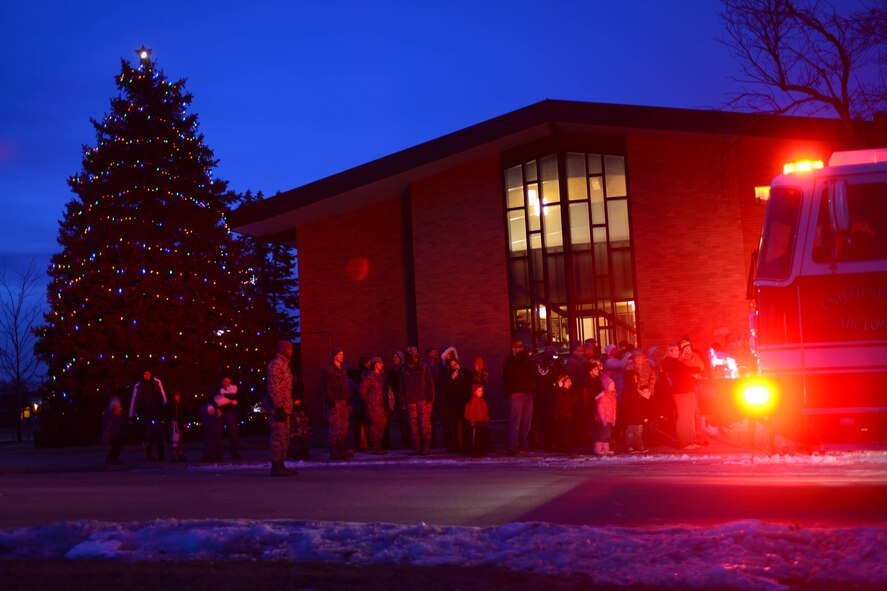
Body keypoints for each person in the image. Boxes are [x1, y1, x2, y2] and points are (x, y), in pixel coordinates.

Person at [662, 340, 702, 450]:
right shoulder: (669, 362)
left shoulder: (673, 361)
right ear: (670, 351)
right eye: (676, 350)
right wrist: (696, 371)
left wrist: (693, 378)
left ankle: (690, 440)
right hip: (681, 392)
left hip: (686, 390)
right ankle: (684, 442)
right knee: (684, 417)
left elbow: (683, 373)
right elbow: (684, 371)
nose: (678, 352)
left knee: (689, 416)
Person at [266, 340, 296, 476]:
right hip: (278, 409)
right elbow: (273, 388)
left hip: (285, 407)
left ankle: (281, 464)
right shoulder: (275, 365)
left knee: (284, 437)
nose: (291, 351)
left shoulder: (285, 366)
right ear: (282, 349)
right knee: (278, 436)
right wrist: (279, 407)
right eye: (289, 349)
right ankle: (276, 465)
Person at [399, 345, 435, 455]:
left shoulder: (423, 367)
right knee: (413, 425)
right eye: (413, 356)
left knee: (425, 424)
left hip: (423, 401)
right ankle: (417, 446)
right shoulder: (404, 369)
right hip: (410, 402)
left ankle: (426, 446)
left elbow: (430, 384)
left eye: (416, 356)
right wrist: (402, 401)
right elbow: (401, 387)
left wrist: (430, 400)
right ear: (408, 357)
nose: (415, 358)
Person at [502, 339, 536, 455]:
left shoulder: (526, 361)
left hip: (527, 393)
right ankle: (513, 446)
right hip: (516, 394)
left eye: (522, 347)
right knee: (515, 422)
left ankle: (523, 443)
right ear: (513, 348)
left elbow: (532, 373)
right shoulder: (510, 362)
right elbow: (510, 376)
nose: (521, 349)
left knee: (526, 422)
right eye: (518, 347)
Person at [128, 370, 168, 461]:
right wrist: (131, 415)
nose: (147, 375)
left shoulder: (157, 382)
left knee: (159, 433)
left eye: (149, 373)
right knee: (147, 434)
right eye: (145, 374)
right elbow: (134, 400)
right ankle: (149, 456)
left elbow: (163, 396)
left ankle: (161, 455)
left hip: (156, 413)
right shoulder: (138, 385)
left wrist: (165, 409)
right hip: (146, 414)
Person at [622, 350, 656, 453]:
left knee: (647, 416)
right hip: (636, 394)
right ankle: (634, 442)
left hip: (647, 394)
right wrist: (639, 391)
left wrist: (649, 389)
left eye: (641, 357)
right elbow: (629, 381)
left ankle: (646, 439)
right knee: (635, 420)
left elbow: (652, 377)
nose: (639, 360)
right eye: (637, 358)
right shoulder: (630, 367)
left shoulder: (648, 366)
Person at [439, 357, 473, 452]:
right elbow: (445, 389)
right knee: (455, 425)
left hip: (465, 402)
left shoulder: (466, 373)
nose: (455, 367)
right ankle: (457, 446)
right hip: (454, 404)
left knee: (466, 424)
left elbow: (469, 384)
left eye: (455, 364)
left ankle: (467, 446)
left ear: (459, 363)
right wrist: (452, 378)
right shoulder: (449, 375)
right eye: (452, 366)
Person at [323, 347, 352, 460]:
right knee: (335, 426)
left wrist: (348, 397)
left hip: (344, 400)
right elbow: (327, 386)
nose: (342, 356)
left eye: (342, 354)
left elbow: (346, 384)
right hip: (335, 401)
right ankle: (334, 449)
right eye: (340, 354)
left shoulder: (342, 369)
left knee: (343, 426)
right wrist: (330, 399)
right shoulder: (329, 369)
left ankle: (341, 447)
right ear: (335, 356)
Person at [359, 356, 390, 454]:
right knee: (375, 426)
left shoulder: (381, 377)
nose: (382, 365)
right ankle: (375, 446)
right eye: (380, 363)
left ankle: (379, 445)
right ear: (375, 364)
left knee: (381, 426)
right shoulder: (369, 376)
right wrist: (370, 401)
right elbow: (362, 391)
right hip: (374, 406)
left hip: (382, 406)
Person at [214, 375, 241, 459]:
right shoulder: (217, 388)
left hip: (231, 411)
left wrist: (224, 396)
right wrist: (217, 407)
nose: (226, 383)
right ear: (222, 381)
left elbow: (236, 396)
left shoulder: (233, 388)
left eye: (228, 381)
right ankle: (218, 453)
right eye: (225, 381)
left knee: (233, 432)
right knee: (218, 432)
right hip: (220, 411)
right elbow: (214, 399)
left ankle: (235, 453)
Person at [594, 366, 617, 456]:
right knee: (603, 434)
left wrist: (614, 418)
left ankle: (605, 448)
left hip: (610, 418)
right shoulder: (603, 396)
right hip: (603, 419)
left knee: (608, 435)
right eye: (611, 385)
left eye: (613, 385)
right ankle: (598, 448)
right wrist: (602, 418)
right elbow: (600, 408)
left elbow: (614, 408)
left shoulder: (613, 396)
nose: (613, 387)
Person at [388, 351, 409, 449]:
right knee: (401, 420)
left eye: (397, 357)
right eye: (394, 357)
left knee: (406, 420)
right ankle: (405, 440)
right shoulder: (392, 371)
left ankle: (408, 440)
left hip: (404, 398)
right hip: (395, 397)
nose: (395, 359)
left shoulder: (403, 369)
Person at [551, 372, 577, 454]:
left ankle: (567, 446)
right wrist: (559, 387)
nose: (570, 383)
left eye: (570, 381)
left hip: (568, 414)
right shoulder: (559, 392)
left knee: (568, 432)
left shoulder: (569, 392)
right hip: (562, 415)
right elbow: (557, 401)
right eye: (568, 381)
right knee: (563, 432)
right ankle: (564, 447)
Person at [463, 383, 491, 457]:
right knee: (477, 438)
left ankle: (482, 450)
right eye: (479, 391)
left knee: (482, 437)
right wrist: (472, 420)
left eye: (481, 391)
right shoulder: (473, 401)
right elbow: (469, 412)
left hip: (482, 422)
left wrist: (486, 419)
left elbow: (485, 411)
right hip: (477, 423)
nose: (481, 392)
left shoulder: (482, 401)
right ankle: (476, 451)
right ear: (474, 391)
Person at [289, 390, 311, 461]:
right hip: (296, 430)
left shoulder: (302, 409)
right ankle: (295, 454)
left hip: (302, 429)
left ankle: (303, 454)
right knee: (296, 442)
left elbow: (306, 419)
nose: (297, 402)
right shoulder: (293, 410)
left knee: (303, 441)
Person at [103, 396, 124, 466]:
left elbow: (121, 421)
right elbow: (107, 422)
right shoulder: (111, 412)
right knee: (115, 446)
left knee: (117, 446)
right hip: (113, 433)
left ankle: (114, 458)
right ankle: (111, 458)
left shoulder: (117, 412)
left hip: (117, 433)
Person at [168, 391, 186, 462]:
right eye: (176, 396)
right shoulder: (170, 405)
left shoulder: (181, 405)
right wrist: (170, 421)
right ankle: (174, 455)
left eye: (178, 396)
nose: (178, 397)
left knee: (180, 441)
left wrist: (184, 422)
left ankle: (181, 455)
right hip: (173, 426)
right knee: (173, 442)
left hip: (180, 426)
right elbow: (168, 415)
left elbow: (184, 415)